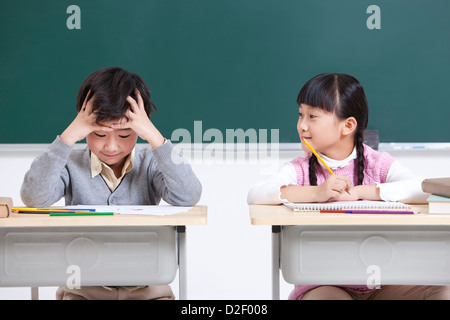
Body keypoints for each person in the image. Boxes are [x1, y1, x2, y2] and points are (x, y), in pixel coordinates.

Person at [247, 73, 450, 300]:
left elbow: (425, 188)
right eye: (300, 114)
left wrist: (363, 192)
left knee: (443, 292)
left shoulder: (378, 164)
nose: (301, 125)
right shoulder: (300, 169)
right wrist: (317, 192)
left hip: (381, 287)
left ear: (348, 125)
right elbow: (256, 194)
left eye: (312, 116)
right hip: (325, 288)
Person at [21, 67, 202, 300]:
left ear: (140, 129)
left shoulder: (150, 162)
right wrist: (67, 138)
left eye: (125, 135)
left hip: (148, 290)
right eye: (98, 134)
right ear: (82, 125)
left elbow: (188, 195)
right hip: (82, 290)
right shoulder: (70, 163)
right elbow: (34, 197)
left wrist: (156, 138)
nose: (111, 147)